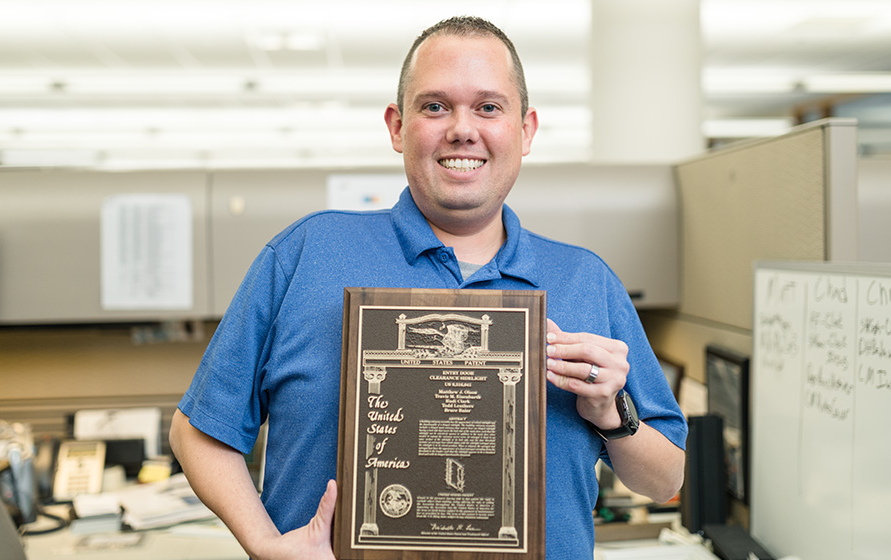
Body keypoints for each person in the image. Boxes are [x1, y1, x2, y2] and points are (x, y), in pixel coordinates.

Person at [170, 16, 686, 560]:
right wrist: (265, 545)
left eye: (488, 107)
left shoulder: (586, 280)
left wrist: (612, 412)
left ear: (526, 129)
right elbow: (198, 430)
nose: (463, 128)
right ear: (397, 126)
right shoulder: (306, 253)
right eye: (435, 106)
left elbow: (664, 477)